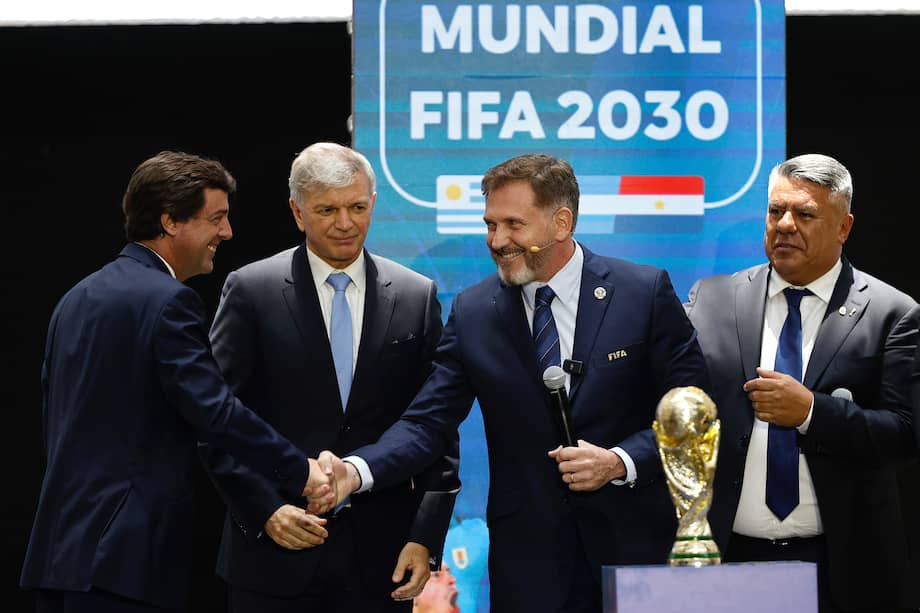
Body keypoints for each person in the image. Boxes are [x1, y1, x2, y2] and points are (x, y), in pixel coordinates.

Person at [316, 152, 711, 612]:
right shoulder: (474, 312)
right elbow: (426, 423)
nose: (497, 240)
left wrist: (619, 462)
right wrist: (355, 471)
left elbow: (695, 413)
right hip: (528, 566)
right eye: (490, 225)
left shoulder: (643, 293)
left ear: (561, 223)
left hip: (636, 553)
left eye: (513, 225)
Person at [20, 151, 335, 613]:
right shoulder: (170, 302)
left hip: (63, 553)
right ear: (170, 221)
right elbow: (216, 412)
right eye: (216, 218)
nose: (227, 233)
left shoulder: (76, 298)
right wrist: (300, 470)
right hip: (123, 558)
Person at [200, 142, 460, 613]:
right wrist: (264, 509)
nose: (345, 223)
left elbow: (436, 425)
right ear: (297, 212)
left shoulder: (415, 295)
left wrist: (425, 536)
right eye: (327, 210)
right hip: (274, 553)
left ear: (373, 203)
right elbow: (215, 418)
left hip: (382, 560)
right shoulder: (250, 290)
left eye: (357, 207)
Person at [684, 153, 918, 612]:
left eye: (805, 215)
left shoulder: (892, 313)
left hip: (840, 569)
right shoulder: (711, 299)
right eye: (776, 211)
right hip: (727, 560)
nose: (785, 225)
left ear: (843, 227)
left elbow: (905, 434)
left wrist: (812, 413)